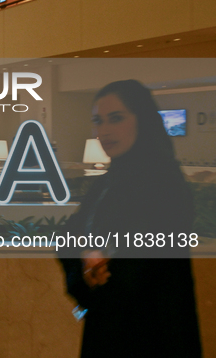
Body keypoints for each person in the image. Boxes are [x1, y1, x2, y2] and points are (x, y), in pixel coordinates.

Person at [58, 80, 202, 357]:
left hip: (154, 335)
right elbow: (67, 239)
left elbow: (140, 268)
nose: (105, 130)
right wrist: (87, 263)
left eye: (116, 118)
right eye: (98, 121)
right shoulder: (106, 185)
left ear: (143, 120)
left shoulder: (166, 184)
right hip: (108, 330)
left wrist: (97, 264)